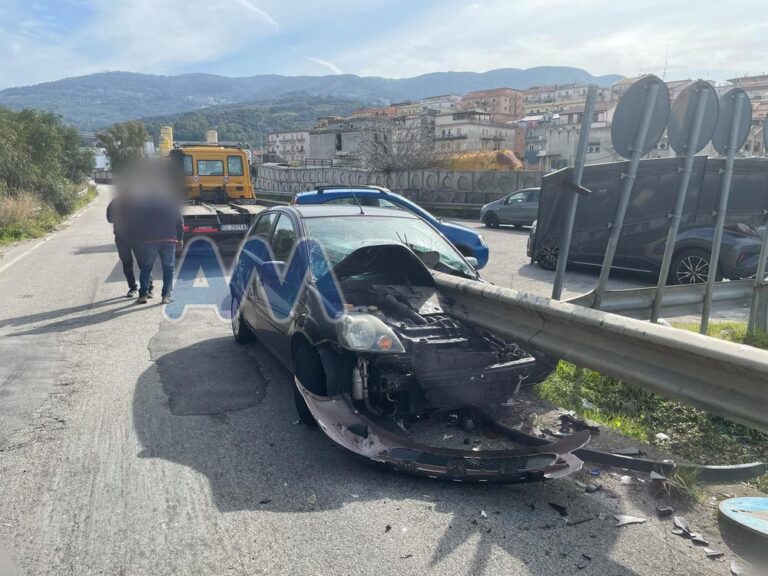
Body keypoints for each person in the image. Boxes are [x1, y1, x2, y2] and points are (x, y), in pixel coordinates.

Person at [134, 192, 184, 305]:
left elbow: (137, 223)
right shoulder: (171, 204)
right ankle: (166, 296)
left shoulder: (143, 205)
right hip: (169, 241)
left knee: (146, 268)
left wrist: (140, 239)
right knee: (168, 268)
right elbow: (179, 222)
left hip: (149, 241)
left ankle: (143, 295)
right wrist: (180, 238)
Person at [106, 194, 152, 298]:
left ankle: (148, 288)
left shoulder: (140, 202)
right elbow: (109, 218)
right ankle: (134, 288)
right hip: (123, 239)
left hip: (137, 238)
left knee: (142, 264)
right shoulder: (115, 203)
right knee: (129, 265)